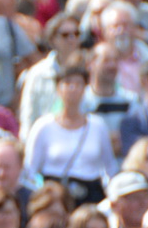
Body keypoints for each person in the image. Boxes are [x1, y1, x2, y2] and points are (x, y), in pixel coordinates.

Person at [24, 55, 115, 209]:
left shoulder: (97, 125)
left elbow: (110, 168)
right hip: (54, 196)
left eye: (78, 84)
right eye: (67, 83)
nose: (72, 88)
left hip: (90, 195)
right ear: (58, 88)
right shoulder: (43, 126)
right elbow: (30, 169)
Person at [16, 14, 80, 137]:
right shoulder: (37, 73)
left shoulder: (89, 69)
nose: (72, 39)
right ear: (52, 39)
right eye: (65, 35)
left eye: (76, 34)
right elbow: (29, 114)